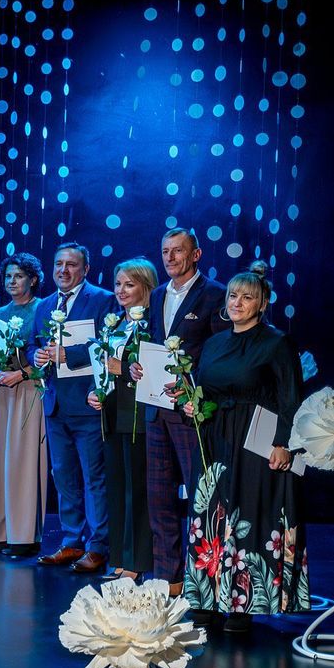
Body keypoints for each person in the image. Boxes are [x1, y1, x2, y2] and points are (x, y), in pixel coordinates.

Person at [182, 271, 308, 631]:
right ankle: (206, 597)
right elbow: (204, 389)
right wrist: (192, 404)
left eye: (247, 297)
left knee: (248, 513)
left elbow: (290, 398)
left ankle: (243, 602)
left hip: (256, 440)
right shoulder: (214, 343)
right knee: (209, 511)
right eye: (233, 296)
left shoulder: (276, 343)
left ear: (262, 304)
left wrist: (284, 444)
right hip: (215, 437)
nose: (237, 303)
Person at [30, 242, 120, 574]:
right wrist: (36, 356)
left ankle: (98, 546)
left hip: (87, 403)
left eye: (71, 264)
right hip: (55, 405)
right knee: (64, 477)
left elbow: (108, 345)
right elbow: (33, 344)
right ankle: (71, 541)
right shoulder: (44, 305)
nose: (63, 270)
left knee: (94, 478)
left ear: (85, 269)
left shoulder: (103, 300)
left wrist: (71, 354)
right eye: (59, 264)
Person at [145, 229, 226, 594]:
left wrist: (195, 386)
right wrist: (139, 365)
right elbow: (154, 344)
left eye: (178, 251)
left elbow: (220, 352)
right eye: (165, 251)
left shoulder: (215, 294)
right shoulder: (157, 294)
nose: (170, 257)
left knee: (200, 496)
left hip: (191, 412)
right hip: (157, 408)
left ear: (196, 254)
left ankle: (203, 576)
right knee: (159, 496)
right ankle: (169, 576)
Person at [86, 258, 157, 580]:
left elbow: (155, 371)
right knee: (116, 489)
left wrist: (124, 368)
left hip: (139, 418)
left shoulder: (153, 326)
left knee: (137, 492)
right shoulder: (114, 327)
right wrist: (94, 391)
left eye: (129, 284)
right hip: (112, 417)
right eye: (118, 284)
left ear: (146, 287)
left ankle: (136, 562)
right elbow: (102, 369)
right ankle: (119, 556)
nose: (121, 290)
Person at [0, 253, 47, 557]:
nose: (12, 281)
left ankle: (23, 535)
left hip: (27, 390)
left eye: (18, 276)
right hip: (0, 392)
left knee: (22, 461)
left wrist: (19, 374)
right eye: (8, 276)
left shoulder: (42, 309)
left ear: (32, 279)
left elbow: (47, 360)